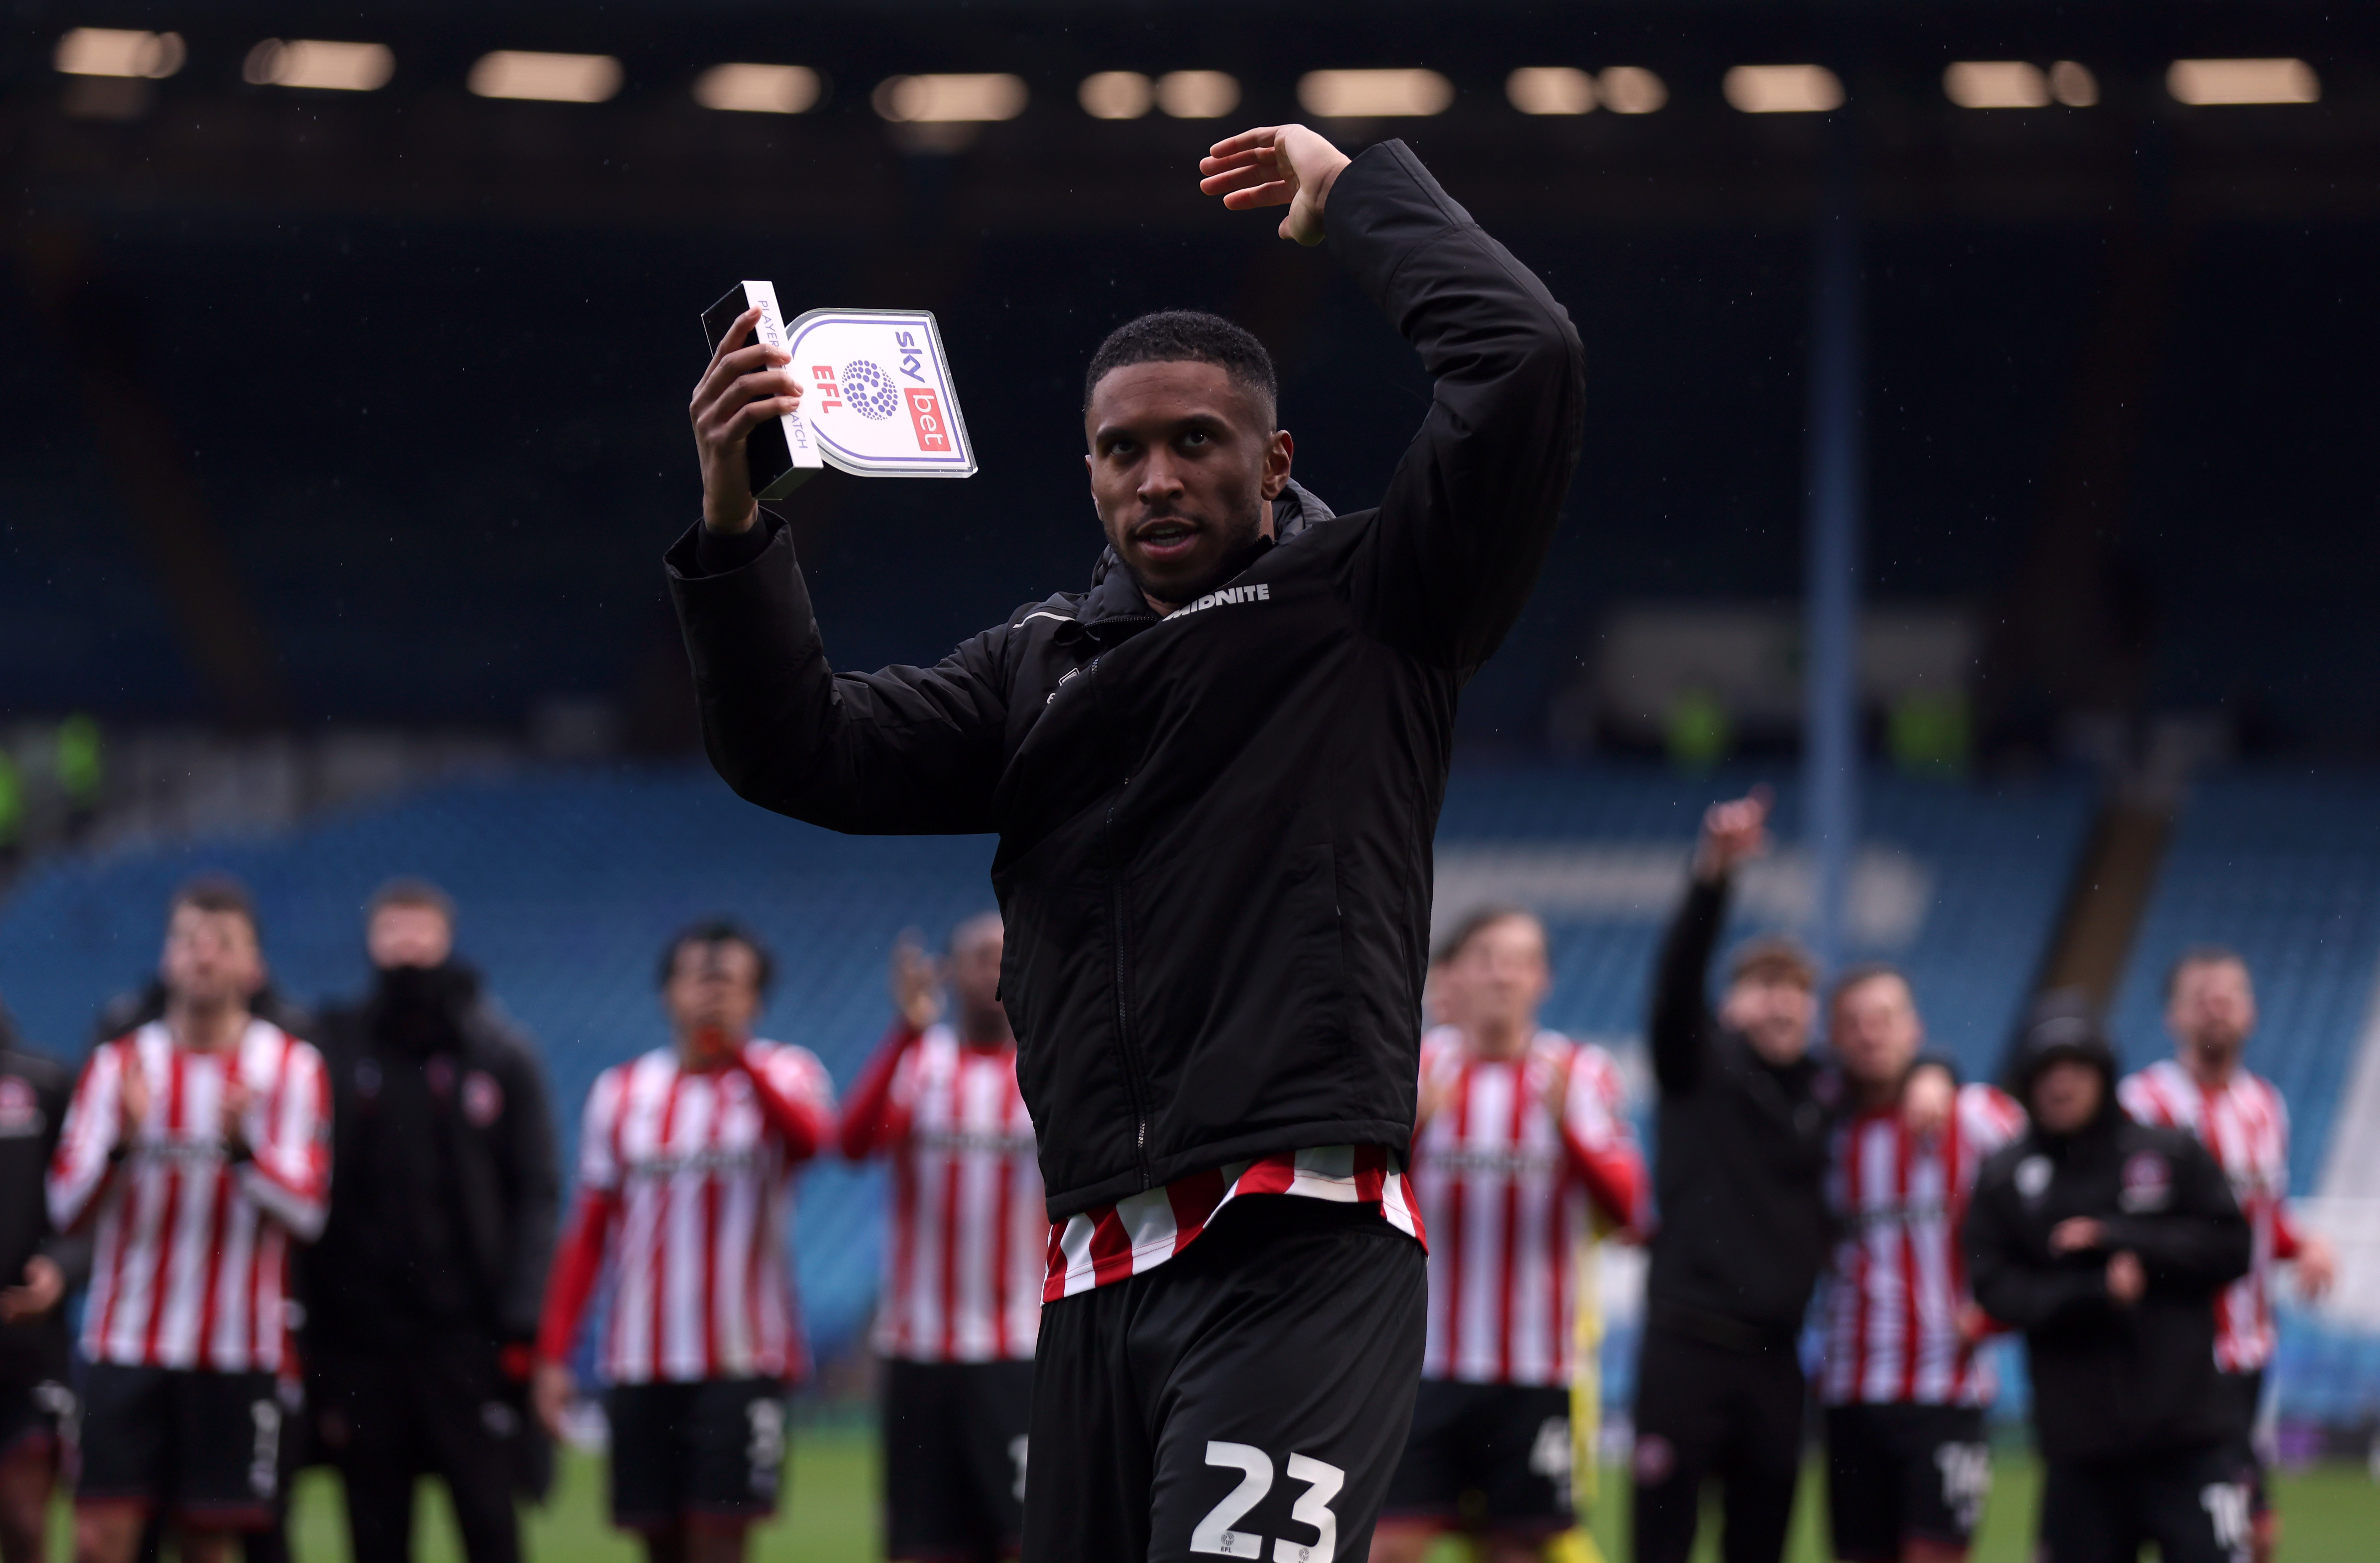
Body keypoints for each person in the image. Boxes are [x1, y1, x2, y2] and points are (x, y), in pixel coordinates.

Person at [672, 120, 1583, 1563]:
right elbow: (802, 750)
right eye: (1122, 451)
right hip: (1097, 1269)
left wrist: (1358, 202)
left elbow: (1523, 361)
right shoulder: (1036, 661)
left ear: (1273, 455)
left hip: (1294, 1244)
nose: (1155, 477)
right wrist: (735, 521)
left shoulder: (1378, 599)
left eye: (1194, 443)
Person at [532, 920, 836, 1563]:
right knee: (658, 1540)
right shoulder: (621, 1093)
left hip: (743, 1358)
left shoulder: (787, 1072)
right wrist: (554, 1354)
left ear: (756, 1000)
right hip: (640, 1359)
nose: (710, 992)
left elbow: (811, 1141)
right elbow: (587, 1234)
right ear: (667, 992)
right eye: (696, 976)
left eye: (729, 981)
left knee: (720, 1539)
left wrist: (739, 1052)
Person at [46, 877, 331, 1563]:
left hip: (235, 1349)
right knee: (99, 1539)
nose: (203, 956)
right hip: (125, 1343)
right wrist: (122, 1144)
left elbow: (308, 1212)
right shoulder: (118, 1067)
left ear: (253, 966)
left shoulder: (290, 1068)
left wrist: (243, 1153)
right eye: (188, 941)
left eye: (222, 943)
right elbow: (66, 1208)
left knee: (209, 1542)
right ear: (167, 959)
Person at [1372, 908, 1646, 1563]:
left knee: (1516, 1551)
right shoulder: (1414, 1068)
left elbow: (1631, 1211)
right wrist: (1408, 1133)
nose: (1502, 974)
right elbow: (1355, 1202)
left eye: (1520, 960)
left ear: (1543, 980)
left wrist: (1570, 1136)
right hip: (1421, 1365)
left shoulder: (1578, 1074)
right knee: (1388, 1545)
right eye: (1487, 957)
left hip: (1535, 1369)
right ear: (1454, 975)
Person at [303, 878, 560, 1563]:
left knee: (489, 1523)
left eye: (420, 932)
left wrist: (520, 1323)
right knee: (376, 1531)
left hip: (466, 1343)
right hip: (363, 1343)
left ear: (448, 938)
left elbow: (538, 1190)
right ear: (370, 942)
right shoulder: (335, 1049)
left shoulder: (500, 1053)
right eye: (394, 932)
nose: (408, 949)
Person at [1966, 994, 2252, 1563]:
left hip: (2187, 1438)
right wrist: (2089, 1293)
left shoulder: (2168, 1153)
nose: (2060, 1085)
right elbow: (1993, 1287)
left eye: (2075, 1068)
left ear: (2102, 1071)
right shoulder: (2005, 1179)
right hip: (2080, 1452)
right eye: (2046, 1072)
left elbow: (2231, 1247)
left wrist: (2124, 1239)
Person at [2118, 948, 2336, 1563]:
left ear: (2252, 1012)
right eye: (2201, 997)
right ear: (2173, 1017)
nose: (2216, 1009)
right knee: (2205, 1525)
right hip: (2175, 1356)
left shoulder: (2265, 1105)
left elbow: (2263, 1217)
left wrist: (2303, 1246)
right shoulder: (2141, 1105)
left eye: (2228, 996)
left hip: (2248, 1353)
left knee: (2252, 1533)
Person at [840, 915, 1043, 1563]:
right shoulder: (919, 1066)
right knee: (923, 1546)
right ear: (952, 974)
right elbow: (852, 1143)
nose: (994, 969)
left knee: (1027, 1539)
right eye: (980, 956)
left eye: (1006, 956)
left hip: (1018, 1348)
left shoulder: (1049, 1073)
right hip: (918, 1351)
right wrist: (905, 1029)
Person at [1818, 965, 2025, 1563]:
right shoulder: (1826, 1137)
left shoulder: (1977, 1116)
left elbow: (2051, 1196)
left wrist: (1999, 1312)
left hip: (1945, 1391)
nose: (1867, 1036)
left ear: (1914, 1029)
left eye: (1882, 1020)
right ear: (1835, 1041)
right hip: (1849, 1392)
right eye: (1852, 1025)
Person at [0, 999, 87, 1563]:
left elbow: (91, 1209)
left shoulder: (45, 1082)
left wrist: (62, 1267)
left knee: (27, 1527)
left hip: (25, 1351)